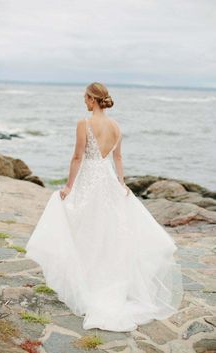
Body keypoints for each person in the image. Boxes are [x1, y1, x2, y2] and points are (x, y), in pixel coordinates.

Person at [25, 82, 183, 332]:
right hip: (108, 181)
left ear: (92, 99)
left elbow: (77, 157)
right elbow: (118, 158)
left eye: (85, 98)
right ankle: (103, 281)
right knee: (108, 232)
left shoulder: (84, 124)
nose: (84, 102)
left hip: (88, 179)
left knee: (84, 229)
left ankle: (88, 284)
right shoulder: (117, 126)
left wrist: (68, 186)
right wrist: (121, 185)